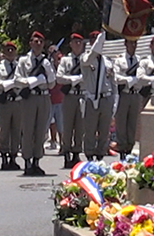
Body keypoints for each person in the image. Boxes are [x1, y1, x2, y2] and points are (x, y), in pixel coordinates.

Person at [15, 31, 56, 176]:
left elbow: (52, 83)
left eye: (40, 41)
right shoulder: (23, 61)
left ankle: (37, 161)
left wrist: (48, 71)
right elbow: (17, 80)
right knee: (28, 130)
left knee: (41, 131)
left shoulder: (46, 61)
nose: (38, 44)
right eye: (35, 41)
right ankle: (27, 161)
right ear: (30, 43)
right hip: (29, 98)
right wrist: (32, 82)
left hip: (43, 97)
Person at [81, 31, 116, 161]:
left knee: (104, 130)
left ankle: (101, 155)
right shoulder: (86, 58)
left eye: (98, 39)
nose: (96, 41)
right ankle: (89, 156)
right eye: (93, 39)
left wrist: (114, 103)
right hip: (91, 98)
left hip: (106, 97)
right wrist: (97, 44)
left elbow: (113, 83)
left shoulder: (108, 61)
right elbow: (89, 59)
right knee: (90, 129)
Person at [56, 33, 86, 168]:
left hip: (82, 95)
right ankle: (67, 152)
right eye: (75, 42)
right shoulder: (65, 61)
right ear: (71, 44)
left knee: (80, 127)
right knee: (67, 126)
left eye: (80, 42)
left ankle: (77, 153)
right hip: (69, 95)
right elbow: (59, 77)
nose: (78, 44)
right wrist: (74, 79)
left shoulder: (86, 60)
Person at [0, 41, 22, 170]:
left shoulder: (20, 66)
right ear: (3, 51)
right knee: (4, 130)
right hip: (5, 102)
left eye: (12, 49)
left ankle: (13, 157)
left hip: (18, 101)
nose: (10, 52)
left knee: (16, 130)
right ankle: (4, 157)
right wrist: (8, 84)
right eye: (7, 49)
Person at [114, 39, 142, 160]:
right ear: (125, 44)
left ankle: (130, 148)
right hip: (124, 93)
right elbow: (116, 77)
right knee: (121, 122)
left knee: (133, 123)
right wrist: (129, 80)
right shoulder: (120, 60)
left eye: (135, 43)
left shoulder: (140, 60)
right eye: (131, 43)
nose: (133, 45)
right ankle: (122, 149)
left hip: (135, 94)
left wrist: (137, 80)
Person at [46, 46, 64, 153]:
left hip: (60, 99)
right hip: (49, 99)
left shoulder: (63, 65)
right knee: (45, 124)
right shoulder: (47, 65)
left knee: (61, 125)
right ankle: (40, 146)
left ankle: (63, 146)